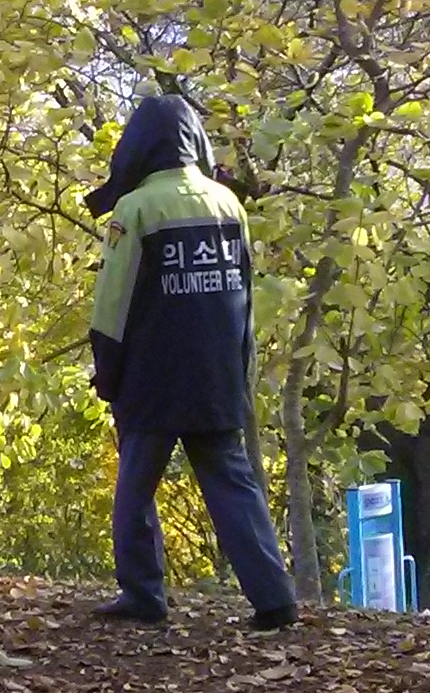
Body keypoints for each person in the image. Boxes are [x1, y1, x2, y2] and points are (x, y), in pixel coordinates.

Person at [84, 93, 299, 632]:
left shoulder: (135, 209)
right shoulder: (228, 204)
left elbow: (113, 301)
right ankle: (274, 597)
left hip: (151, 377)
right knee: (233, 483)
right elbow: (245, 297)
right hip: (216, 373)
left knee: (136, 487)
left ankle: (143, 594)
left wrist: (107, 371)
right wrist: (243, 371)